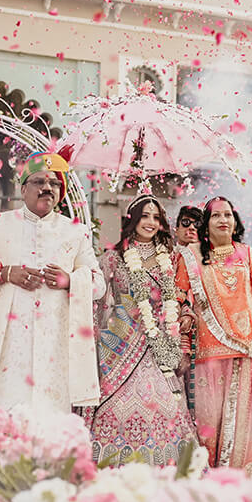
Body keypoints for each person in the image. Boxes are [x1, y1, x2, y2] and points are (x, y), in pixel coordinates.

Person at [0, 152, 105, 413]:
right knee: (9, 422)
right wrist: (4, 274)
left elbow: (98, 285)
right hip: (10, 346)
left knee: (51, 424)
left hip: (56, 346)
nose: (48, 188)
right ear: (23, 189)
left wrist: (69, 280)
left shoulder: (76, 231)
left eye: (55, 184)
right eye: (39, 182)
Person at [175, 198, 252, 470]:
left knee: (246, 428)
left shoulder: (248, 255)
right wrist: (183, 322)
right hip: (209, 352)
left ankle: (237, 488)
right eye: (216, 216)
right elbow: (176, 300)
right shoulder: (189, 257)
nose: (223, 220)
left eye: (228, 215)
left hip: (249, 350)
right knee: (208, 425)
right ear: (206, 222)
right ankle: (207, 490)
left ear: (235, 221)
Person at [87, 193, 197, 465]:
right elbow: (98, 304)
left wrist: (185, 313)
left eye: (156, 217)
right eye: (145, 215)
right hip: (120, 345)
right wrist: (92, 342)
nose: (150, 222)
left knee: (167, 408)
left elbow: (183, 296)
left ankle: (165, 474)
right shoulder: (114, 258)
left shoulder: (171, 258)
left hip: (160, 347)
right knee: (113, 407)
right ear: (132, 219)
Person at [173, 205, 203, 414]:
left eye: (197, 224)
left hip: (203, 331)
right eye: (186, 222)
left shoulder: (207, 258)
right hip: (174, 327)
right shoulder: (166, 254)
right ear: (176, 228)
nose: (191, 227)